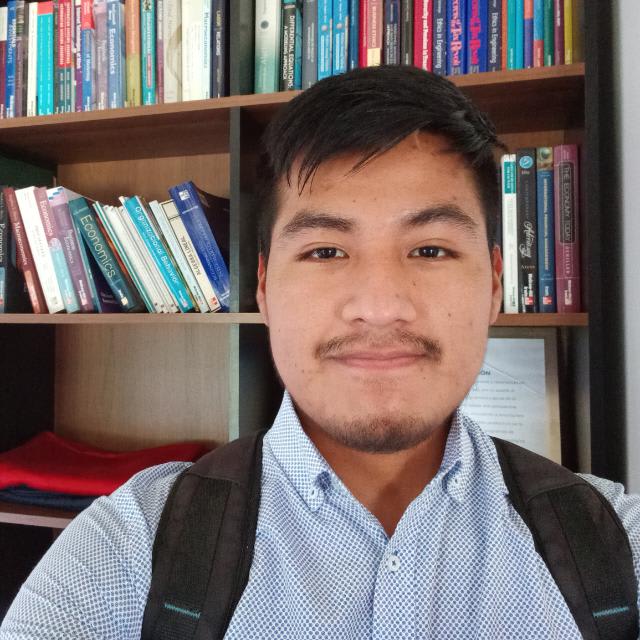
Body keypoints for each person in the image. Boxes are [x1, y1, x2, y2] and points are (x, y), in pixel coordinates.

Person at [1, 65, 639, 639]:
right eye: (325, 251)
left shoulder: (617, 546)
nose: (380, 306)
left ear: (496, 284)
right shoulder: (129, 549)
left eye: (431, 249)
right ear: (264, 288)